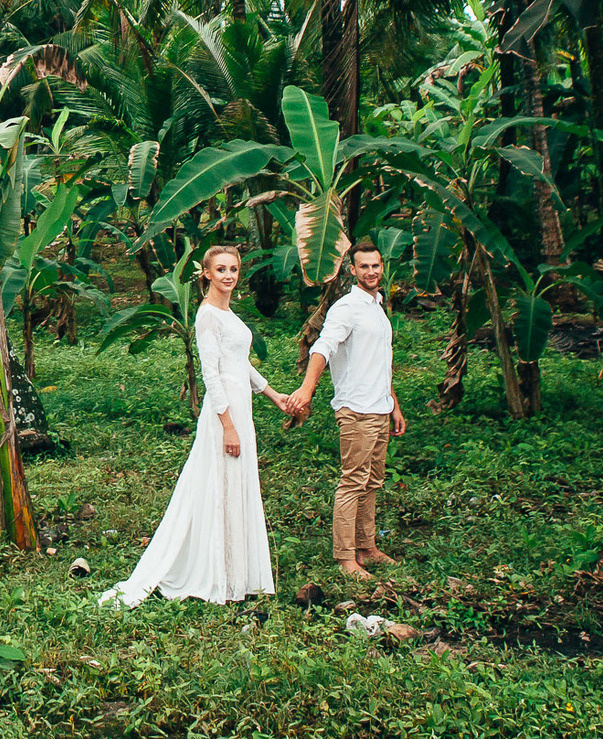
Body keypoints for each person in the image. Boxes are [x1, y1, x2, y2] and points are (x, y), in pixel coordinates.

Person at [100, 243, 284, 607]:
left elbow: (239, 364)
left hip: (242, 408)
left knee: (237, 484)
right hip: (224, 414)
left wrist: (274, 395)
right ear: (206, 274)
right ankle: (217, 573)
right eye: (221, 270)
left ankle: (239, 572)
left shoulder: (229, 314)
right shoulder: (207, 316)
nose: (228, 276)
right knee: (217, 486)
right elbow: (212, 376)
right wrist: (227, 426)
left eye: (233, 269)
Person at [276, 239, 405, 581]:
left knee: (373, 481)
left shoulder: (377, 306)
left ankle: (367, 547)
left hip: (379, 407)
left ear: (382, 267)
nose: (372, 271)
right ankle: (346, 557)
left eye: (376, 265)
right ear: (352, 270)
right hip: (357, 410)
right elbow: (324, 346)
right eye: (364, 266)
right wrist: (307, 388)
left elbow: (381, 361)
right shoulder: (346, 308)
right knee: (353, 481)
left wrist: (393, 404)